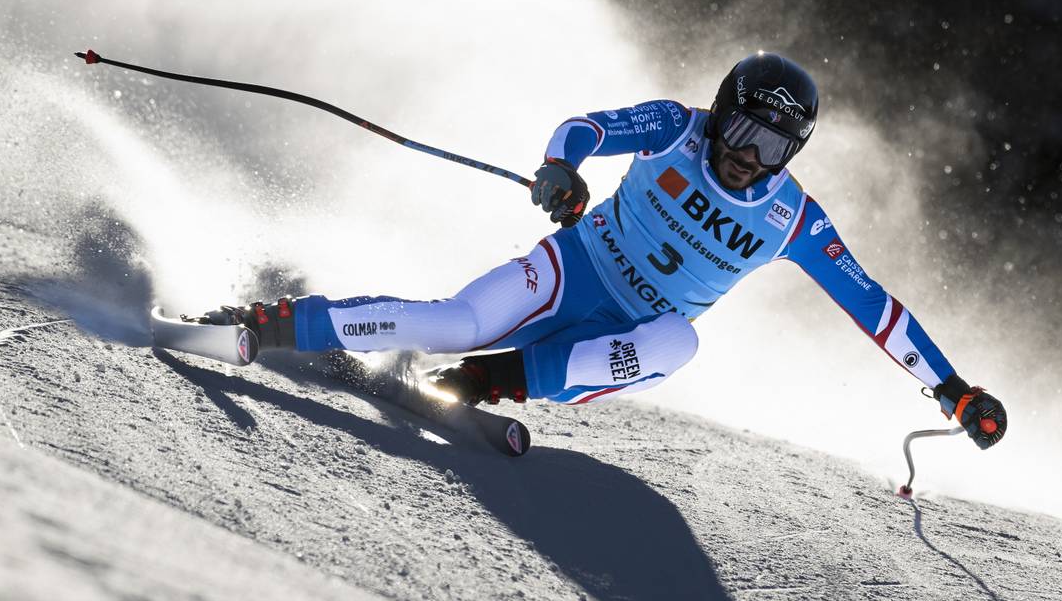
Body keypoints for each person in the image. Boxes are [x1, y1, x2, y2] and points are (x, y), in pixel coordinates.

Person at [206, 52, 1006, 450]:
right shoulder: (678, 126)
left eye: (774, 145)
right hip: (568, 270)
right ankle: (268, 325)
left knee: (682, 341)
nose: (747, 156)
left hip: (620, 339)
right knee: (449, 320)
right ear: (722, 110)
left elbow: (877, 309)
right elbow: (588, 128)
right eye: (743, 130)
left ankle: (493, 380)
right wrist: (562, 170)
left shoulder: (794, 219)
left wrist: (951, 388)